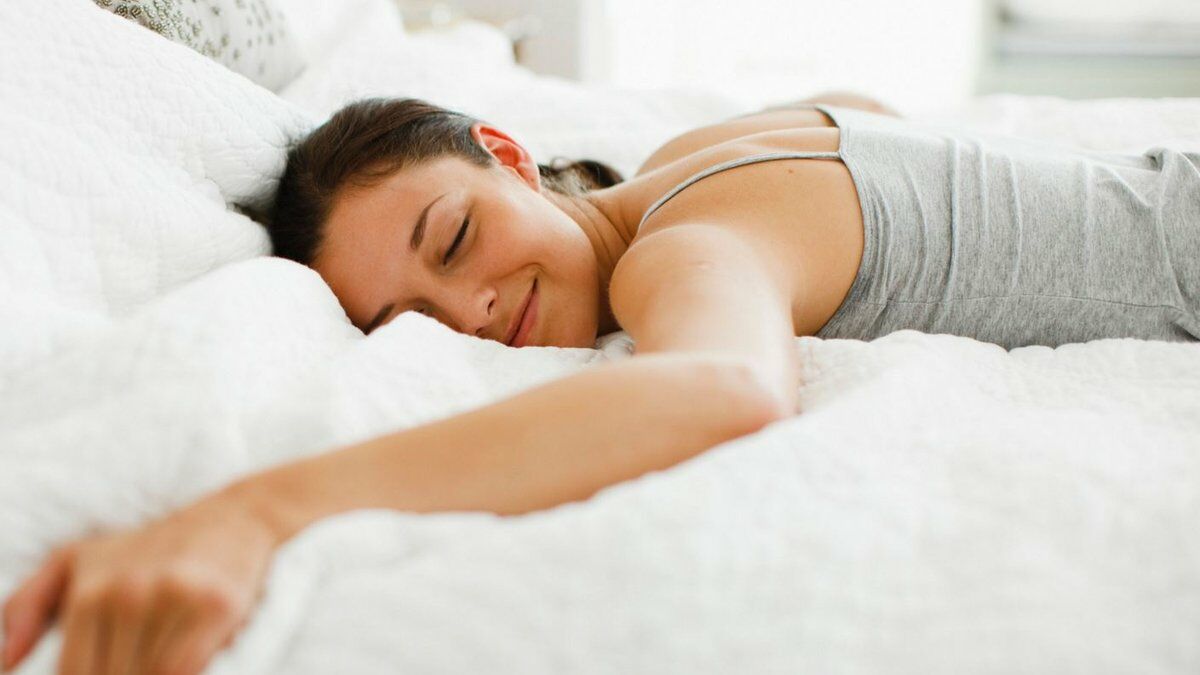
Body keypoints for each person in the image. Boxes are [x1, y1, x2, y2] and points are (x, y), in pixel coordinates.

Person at [3, 90, 1198, 674]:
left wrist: (254, 509)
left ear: (509, 154)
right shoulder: (695, 153)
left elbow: (722, 388)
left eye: (455, 239)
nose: (472, 313)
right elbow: (884, 120)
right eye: (411, 323)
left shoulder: (683, 245)